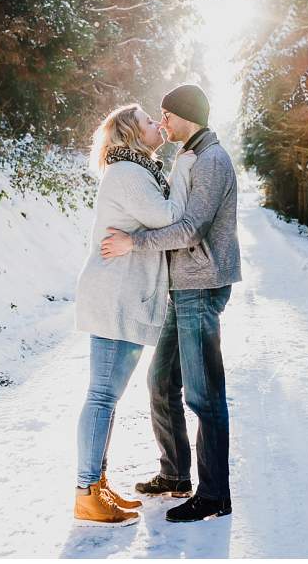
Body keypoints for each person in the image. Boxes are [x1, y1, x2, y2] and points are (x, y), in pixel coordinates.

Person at [100, 83, 241, 523]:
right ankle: (176, 475)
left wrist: (133, 243)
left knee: (203, 394)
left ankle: (214, 494)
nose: (162, 123)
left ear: (187, 117)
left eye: (167, 115)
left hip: (201, 285)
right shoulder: (188, 156)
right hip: (181, 287)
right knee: (161, 384)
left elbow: (191, 229)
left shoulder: (212, 161)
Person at [72, 103, 197, 526]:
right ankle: (86, 491)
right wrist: (183, 167)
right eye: (148, 121)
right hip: (113, 297)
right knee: (102, 395)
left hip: (126, 298)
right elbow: (167, 216)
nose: (157, 124)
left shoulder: (139, 172)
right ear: (131, 133)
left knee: (109, 397)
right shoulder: (127, 174)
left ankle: (97, 484)